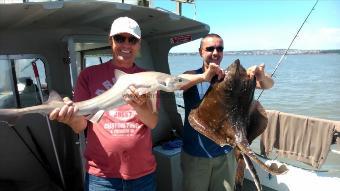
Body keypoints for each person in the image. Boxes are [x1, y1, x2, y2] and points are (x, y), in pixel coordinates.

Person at [49, 17, 159, 191]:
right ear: (110, 40)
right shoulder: (88, 75)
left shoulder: (149, 78)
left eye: (132, 40)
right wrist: (69, 119)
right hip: (102, 177)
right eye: (119, 38)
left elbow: (152, 122)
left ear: (139, 44)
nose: (126, 44)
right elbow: (80, 126)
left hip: (142, 175)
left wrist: (139, 105)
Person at [180, 33, 274, 191]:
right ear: (200, 52)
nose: (215, 52)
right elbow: (174, 83)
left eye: (220, 48)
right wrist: (204, 77)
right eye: (210, 49)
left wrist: (261, 76)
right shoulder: (193, 75)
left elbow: (268, 84)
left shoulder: (229, 78)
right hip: (196, 155)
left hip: (226, 154)